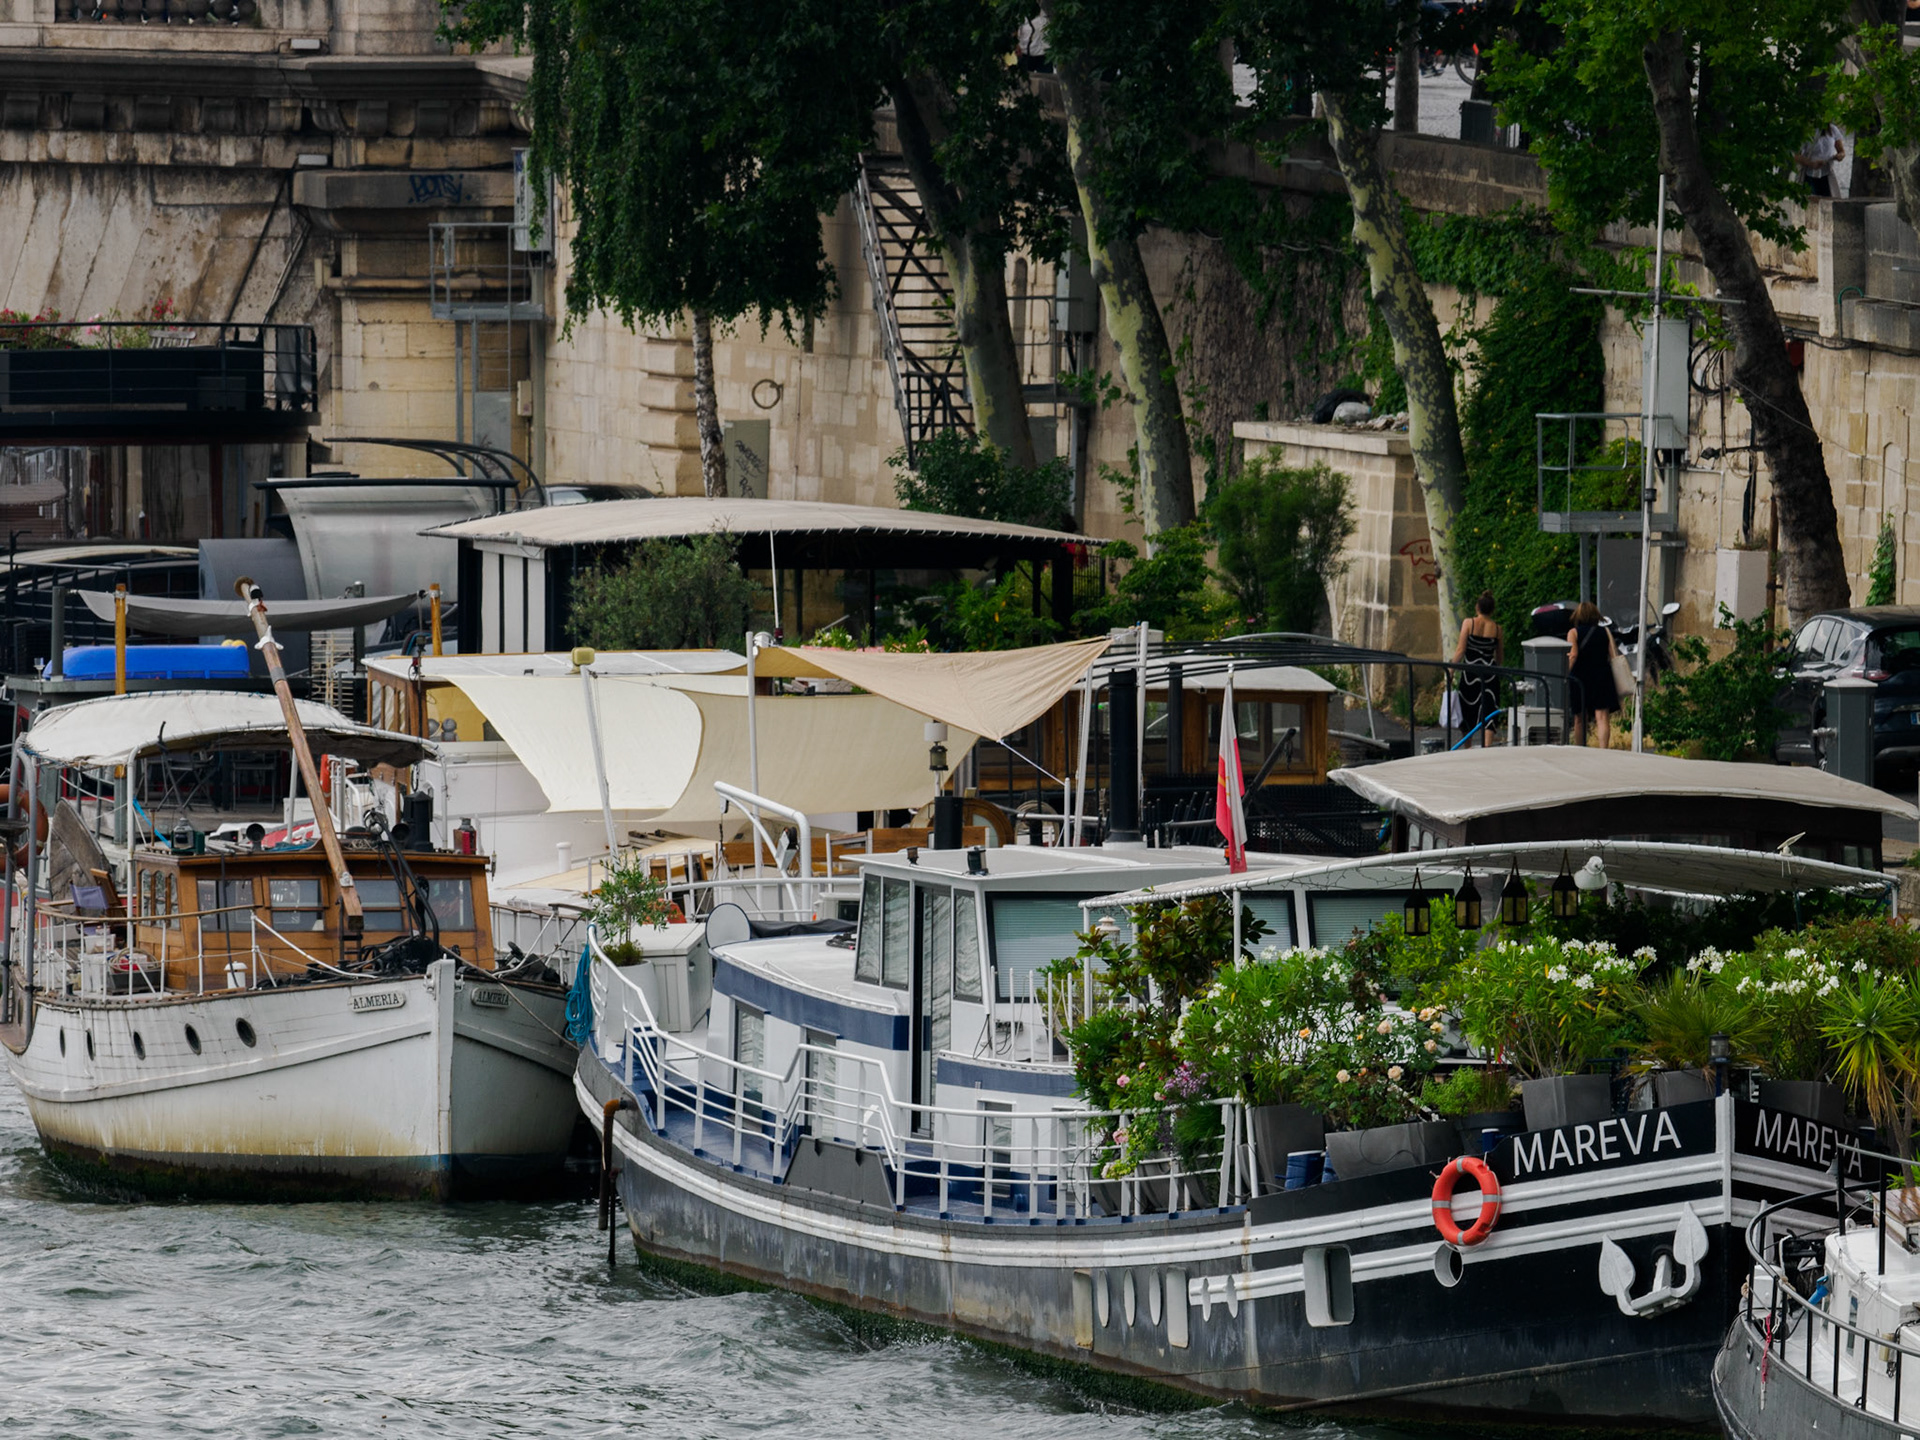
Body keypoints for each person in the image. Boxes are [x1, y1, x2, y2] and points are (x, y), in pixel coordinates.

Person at [1566, 600, 1621, 749]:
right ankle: (1604, 749)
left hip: (1580, 677)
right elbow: (1613, 654)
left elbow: (1574, 655)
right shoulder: (1605, 631)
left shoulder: (1573, 633)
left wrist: (1566, 673)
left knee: (1579, 717)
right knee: (1602, 716)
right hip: (1602, 675)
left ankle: (1580, 748)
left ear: (1578, 615)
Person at [1451, 591, 1503, 746]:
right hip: (1490, 674)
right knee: (1489, 709)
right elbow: (1499, 657)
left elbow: (1461, 650)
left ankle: (1468, 747)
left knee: (1467, 708)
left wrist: (1451, 669)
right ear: (1492, 610)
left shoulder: (1469, 623)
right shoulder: (1498, 629)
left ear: (1477, 607)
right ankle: (1486, 748)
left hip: (1470, 674)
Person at [1796, 125, 1846, 198]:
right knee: (1811, 202)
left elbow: (1841, 151)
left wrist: (1839, 156)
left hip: (1827, 174)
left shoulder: (1832, 129)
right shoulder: (1806, 131)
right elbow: (1796, 156)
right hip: (1810, 175)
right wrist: (1811, 164)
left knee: (1829, 201)